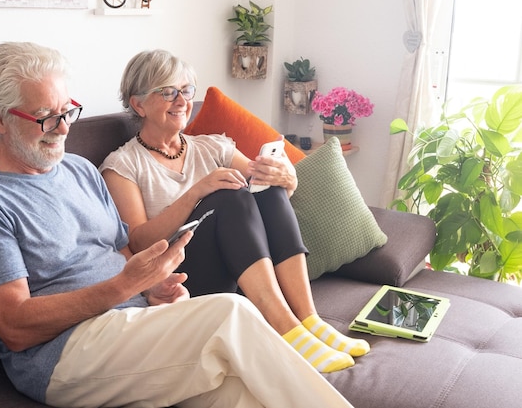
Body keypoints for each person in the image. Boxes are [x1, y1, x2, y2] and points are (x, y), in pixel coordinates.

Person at [0, 41, 354, 408]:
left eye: (68, 111)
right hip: (64, 353)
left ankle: (306, 327)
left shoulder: (80, 171)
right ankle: (293, 334)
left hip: (135, 323)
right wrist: (126, 286)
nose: (64, 128)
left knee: (244, 392)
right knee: (229, 312)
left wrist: (152, 286)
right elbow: (13, 326)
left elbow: (123, 251)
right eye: (45, 117)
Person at [100, 49, 370, 374]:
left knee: (261, 185)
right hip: (184, 281)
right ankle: (287, 330)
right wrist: (197, 193)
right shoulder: (122, 166)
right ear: (138, 103)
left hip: (243, 269)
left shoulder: (212, 146)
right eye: (168, 92)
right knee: (228, 196)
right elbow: (140, 241)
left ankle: (310, 320)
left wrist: (287, 178)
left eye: (186, 91)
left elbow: (271, 195)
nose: (182, 101)